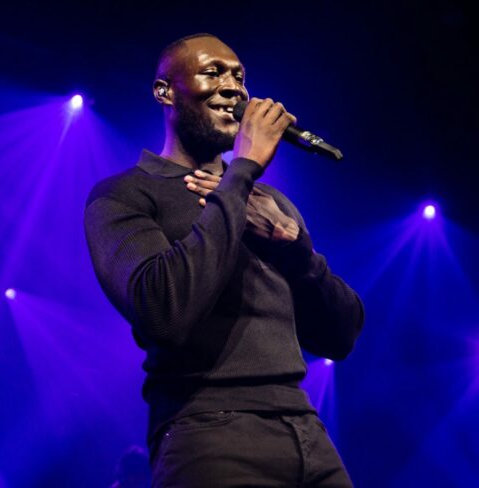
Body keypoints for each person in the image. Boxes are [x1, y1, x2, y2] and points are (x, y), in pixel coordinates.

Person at [84, 33, 365, 487]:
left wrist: (292, 247)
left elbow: (342, 334)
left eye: (239, 76)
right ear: (165, 92)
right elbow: (162, 311)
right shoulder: (125, 193)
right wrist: (243, 170)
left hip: (307, 431)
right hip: (210, 433)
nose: (233, 86)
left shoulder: (268, 203)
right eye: (212, 72)